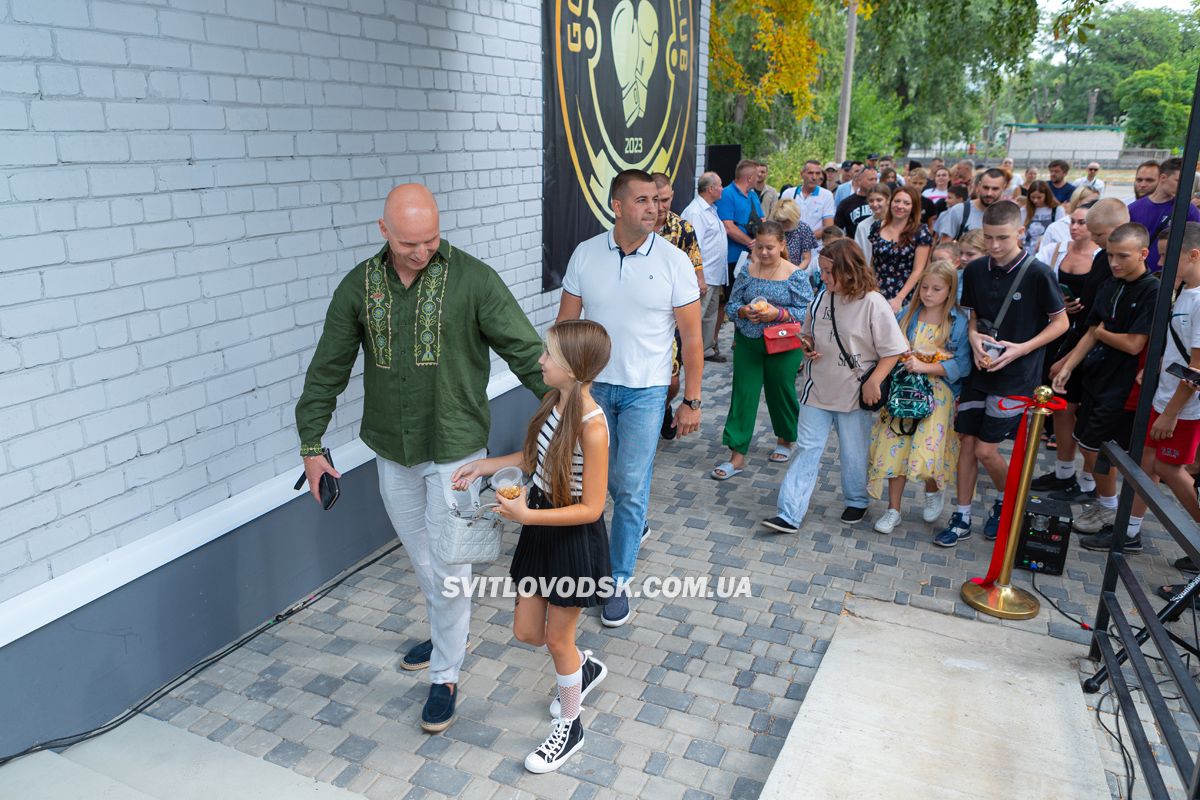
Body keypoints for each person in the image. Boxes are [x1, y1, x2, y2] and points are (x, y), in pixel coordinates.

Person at [295, 184, 547, 733]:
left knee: (452, 565)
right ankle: (443, 630)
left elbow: (528, 352)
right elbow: (327, 369)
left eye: (431, 239)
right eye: (409, 242)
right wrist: (312, 446)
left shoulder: (473, 279)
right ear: (383, 231)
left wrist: (570, 409)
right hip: (392, 448)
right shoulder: (359, 286)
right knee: (424, 557)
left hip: (456, 450)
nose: (422, 251)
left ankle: (445, 674)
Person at [452, 320, 612, 774]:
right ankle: (583, 668)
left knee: (558, 638)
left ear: (574, 368)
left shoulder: (592, 427)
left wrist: (526, 516)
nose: (540, 361)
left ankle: (571, 726)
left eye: (549, 355)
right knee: (527, 633)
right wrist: (486, 465)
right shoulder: (554, 401)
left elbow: (593, 508)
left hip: (571, 539)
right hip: (540, 525)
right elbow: (536, 459)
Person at [557, 169, 703, 628]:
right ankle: (625, 532)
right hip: (593, 389)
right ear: (617, 207)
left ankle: (616, 579)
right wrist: (563, 390)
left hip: (646, 389)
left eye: (655, 201)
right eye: (641, 200)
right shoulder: (585, 255)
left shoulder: (675, 261)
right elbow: (566, 327)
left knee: (631, 483)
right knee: (603, 484)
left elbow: (693, 340)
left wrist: (691, 401)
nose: (654, 208)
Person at [934, 201, 1068, 547]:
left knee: (986, 451)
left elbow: (1061, 322)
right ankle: (962, 515)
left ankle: (1010, 504)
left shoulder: (1039, 273)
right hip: (981, 370)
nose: (994, 245)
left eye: (1003, 238)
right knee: (966, 443)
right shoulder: (977, 269)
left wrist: (1023, 348)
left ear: (1020, 233)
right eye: (990, 237)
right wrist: (976, 338)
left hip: (1018, 374)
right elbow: (975, 315)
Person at [761, 239, 908, 534]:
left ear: (849, 270)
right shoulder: (821, 297)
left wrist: (875, 381)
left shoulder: (873, 303)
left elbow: (894, 350)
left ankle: (857, 499)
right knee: (806, 449)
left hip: (855, 392)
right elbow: (807, 334)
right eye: (822, 272)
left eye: (829, 272)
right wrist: (807, 346)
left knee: (854, 451)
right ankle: (789, 513)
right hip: (817, 389)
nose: (824, 278)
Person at [1050, 223, 1157, 539]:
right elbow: (1090, 331)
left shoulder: (1151, 290)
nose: (1114, 263)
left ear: (1143, 254)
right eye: (1110, 255)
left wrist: (1099, 333)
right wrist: (1069, 366)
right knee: (1087, 443)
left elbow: (1134, 343)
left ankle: (1110, 507)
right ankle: (1104, 501)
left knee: (1099, 449)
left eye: (1122, 256)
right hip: (1097, 376)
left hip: (1123, 386)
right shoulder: (1111, 283)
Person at [868, 261, 972, 533]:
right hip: (904, 389)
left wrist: (927, 366)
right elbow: (888, 346)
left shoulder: (958, 323)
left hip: (938, 391)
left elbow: (962, 365)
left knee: (929, 447)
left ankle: (932, 488)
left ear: (950, 290)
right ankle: (893, 509)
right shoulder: (908, 313)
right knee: (896, 446)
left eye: (936, 289)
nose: (928, 293)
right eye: (924, 287)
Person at [712, 221, 814, 481]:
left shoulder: (795, 274)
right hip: (748, 341)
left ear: (782, 245)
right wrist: (744, 311)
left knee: (780, 391)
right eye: (760, 247)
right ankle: (737, 455)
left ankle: (786, 438)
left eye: (770, 247)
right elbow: (733, 305)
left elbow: (807, 313)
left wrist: (777, 313)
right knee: (743, 394)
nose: (765, 252)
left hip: (782, 344)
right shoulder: (747, 271)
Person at [1133, 224, 1200, 581]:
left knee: (1170, 467)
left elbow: (1196, 369)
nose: (1160, 263)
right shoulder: (1184, 292)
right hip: (1167, 397)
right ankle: (1130, 528)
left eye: (1166, 256)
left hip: (1184, 407)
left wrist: (1172, 413)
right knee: (1151, 461)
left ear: (1193, 255)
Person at [1029, 201, 1106, 497]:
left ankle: (1088, 481)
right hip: (1058, 336)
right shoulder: (1056, 251)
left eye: (1082, 223)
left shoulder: (1102, 258)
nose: (1075, 227)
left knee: (1084, 412)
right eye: (1072, 221)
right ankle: (1063, 472)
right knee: (1061, 407)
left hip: (1088, 340)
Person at [651, 172, 704, 440]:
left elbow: (697, 272)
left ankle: (663, 405)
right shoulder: (639, 228)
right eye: (657, 200)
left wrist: (696, 289)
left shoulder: (683, 229)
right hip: (647, 316)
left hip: (675, 317)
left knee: (672, 381)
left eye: (667, 199)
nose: (662, 206)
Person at [683, 172, 730, 364]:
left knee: (709, 315)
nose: (722, 189)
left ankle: (706, 350)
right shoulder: (695, 212)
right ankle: (687, 353)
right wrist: (698, 277)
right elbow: (693, 247)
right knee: (697, 316)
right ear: (710, 189)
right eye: (720, 185)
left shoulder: (711, 209)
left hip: (714, 274)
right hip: (703, 275)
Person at [716, 160, 764, 342]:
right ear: (749, 178)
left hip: (753, 258)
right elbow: (728, 227)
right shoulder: (727, 194)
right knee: (733, 299)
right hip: (733, 258)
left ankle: (745, 337)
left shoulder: (751, 195)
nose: (758, 179)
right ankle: (736, 339)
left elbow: (761, 219)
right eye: (756, 176)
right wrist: (752, 243)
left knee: (750, 297)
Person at [867, 185, 934, 312]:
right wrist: (871, 286)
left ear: (913, 207)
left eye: (906, 203)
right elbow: (873, 261)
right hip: (876, 290)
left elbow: (918, 270)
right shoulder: (877, 227)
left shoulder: (920, 232)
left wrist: (899, 298)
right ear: (890, 202)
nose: (900, 206)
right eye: (897, 201)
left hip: (904, 295)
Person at [1128, 157, 1200, 273]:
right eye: (1178, 181)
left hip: (1171, 277)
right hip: (1139, 277)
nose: (1184, 186)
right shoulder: (1133, 209)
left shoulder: (1187, 210)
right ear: (1163, 178)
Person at [934, 168, 1006, 242]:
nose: (989, 193)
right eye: (986, 188)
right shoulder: (959, 211)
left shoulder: (1010, 213)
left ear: (1003, 188)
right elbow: (945, 247)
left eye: (995, 189)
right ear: (978, 186)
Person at [779, 160, 836, 245]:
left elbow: (828, 226)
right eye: (810, 173)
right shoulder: (788, 193)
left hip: (815, 251)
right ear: (802, 174)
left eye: (817, 173)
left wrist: (803, 239)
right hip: (790, 247)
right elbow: (780, 221)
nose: (814, 177)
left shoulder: (827, 195)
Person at [1039, 185, 1101, 250]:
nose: (1095, 206)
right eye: (1091, 202)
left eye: (1097, 203)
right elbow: (1043, 254)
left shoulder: (1100, 226)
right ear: (1077, 202)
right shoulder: (1055, 228)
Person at [771, 198, 818, 272]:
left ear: (793, 218)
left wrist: (794, 273)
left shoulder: (803, 228)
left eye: (784, 221)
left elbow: (806, 259)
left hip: (794, 271)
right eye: (778, 220)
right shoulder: (771, 228)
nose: (780, 224)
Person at [833, 166, 879, 238]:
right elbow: (836, 231)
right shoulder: (846, 204)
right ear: (859, 180)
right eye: (870, 179)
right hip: (854, 246)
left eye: (876, 179)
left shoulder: (882, 202)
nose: (874, 182)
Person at [1018, 180, 1064, 250]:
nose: (1035, 200)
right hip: (1028, 249)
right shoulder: (1024, 211)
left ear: (1046, 196)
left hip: (1048, 249)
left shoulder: (1057, 210)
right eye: (1033, 197)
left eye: (1039, 197)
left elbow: (1060, 231)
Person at [853, 183, 891, 266]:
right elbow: (858, 254)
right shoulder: (862, 226)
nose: (874, 204)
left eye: (879, 200)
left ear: (888, 200)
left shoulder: (897, 223)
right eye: (871, 201)